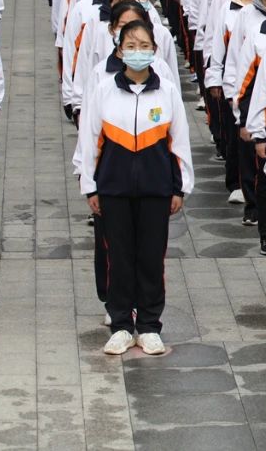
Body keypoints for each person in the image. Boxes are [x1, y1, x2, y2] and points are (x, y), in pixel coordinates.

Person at [76, 20, 194, 357]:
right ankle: (121, 325)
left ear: (154, 51)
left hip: (156, 189)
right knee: (119, 257)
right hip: (113, 189)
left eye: (144, 46)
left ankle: (149, 325)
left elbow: (179, 141)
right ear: (119, 51)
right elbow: (90, 141)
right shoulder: (104, 90)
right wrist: (91, 186)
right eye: (130, 46)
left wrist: (180, 188)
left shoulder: (167, 92)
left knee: (151, 258)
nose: (137, 52)